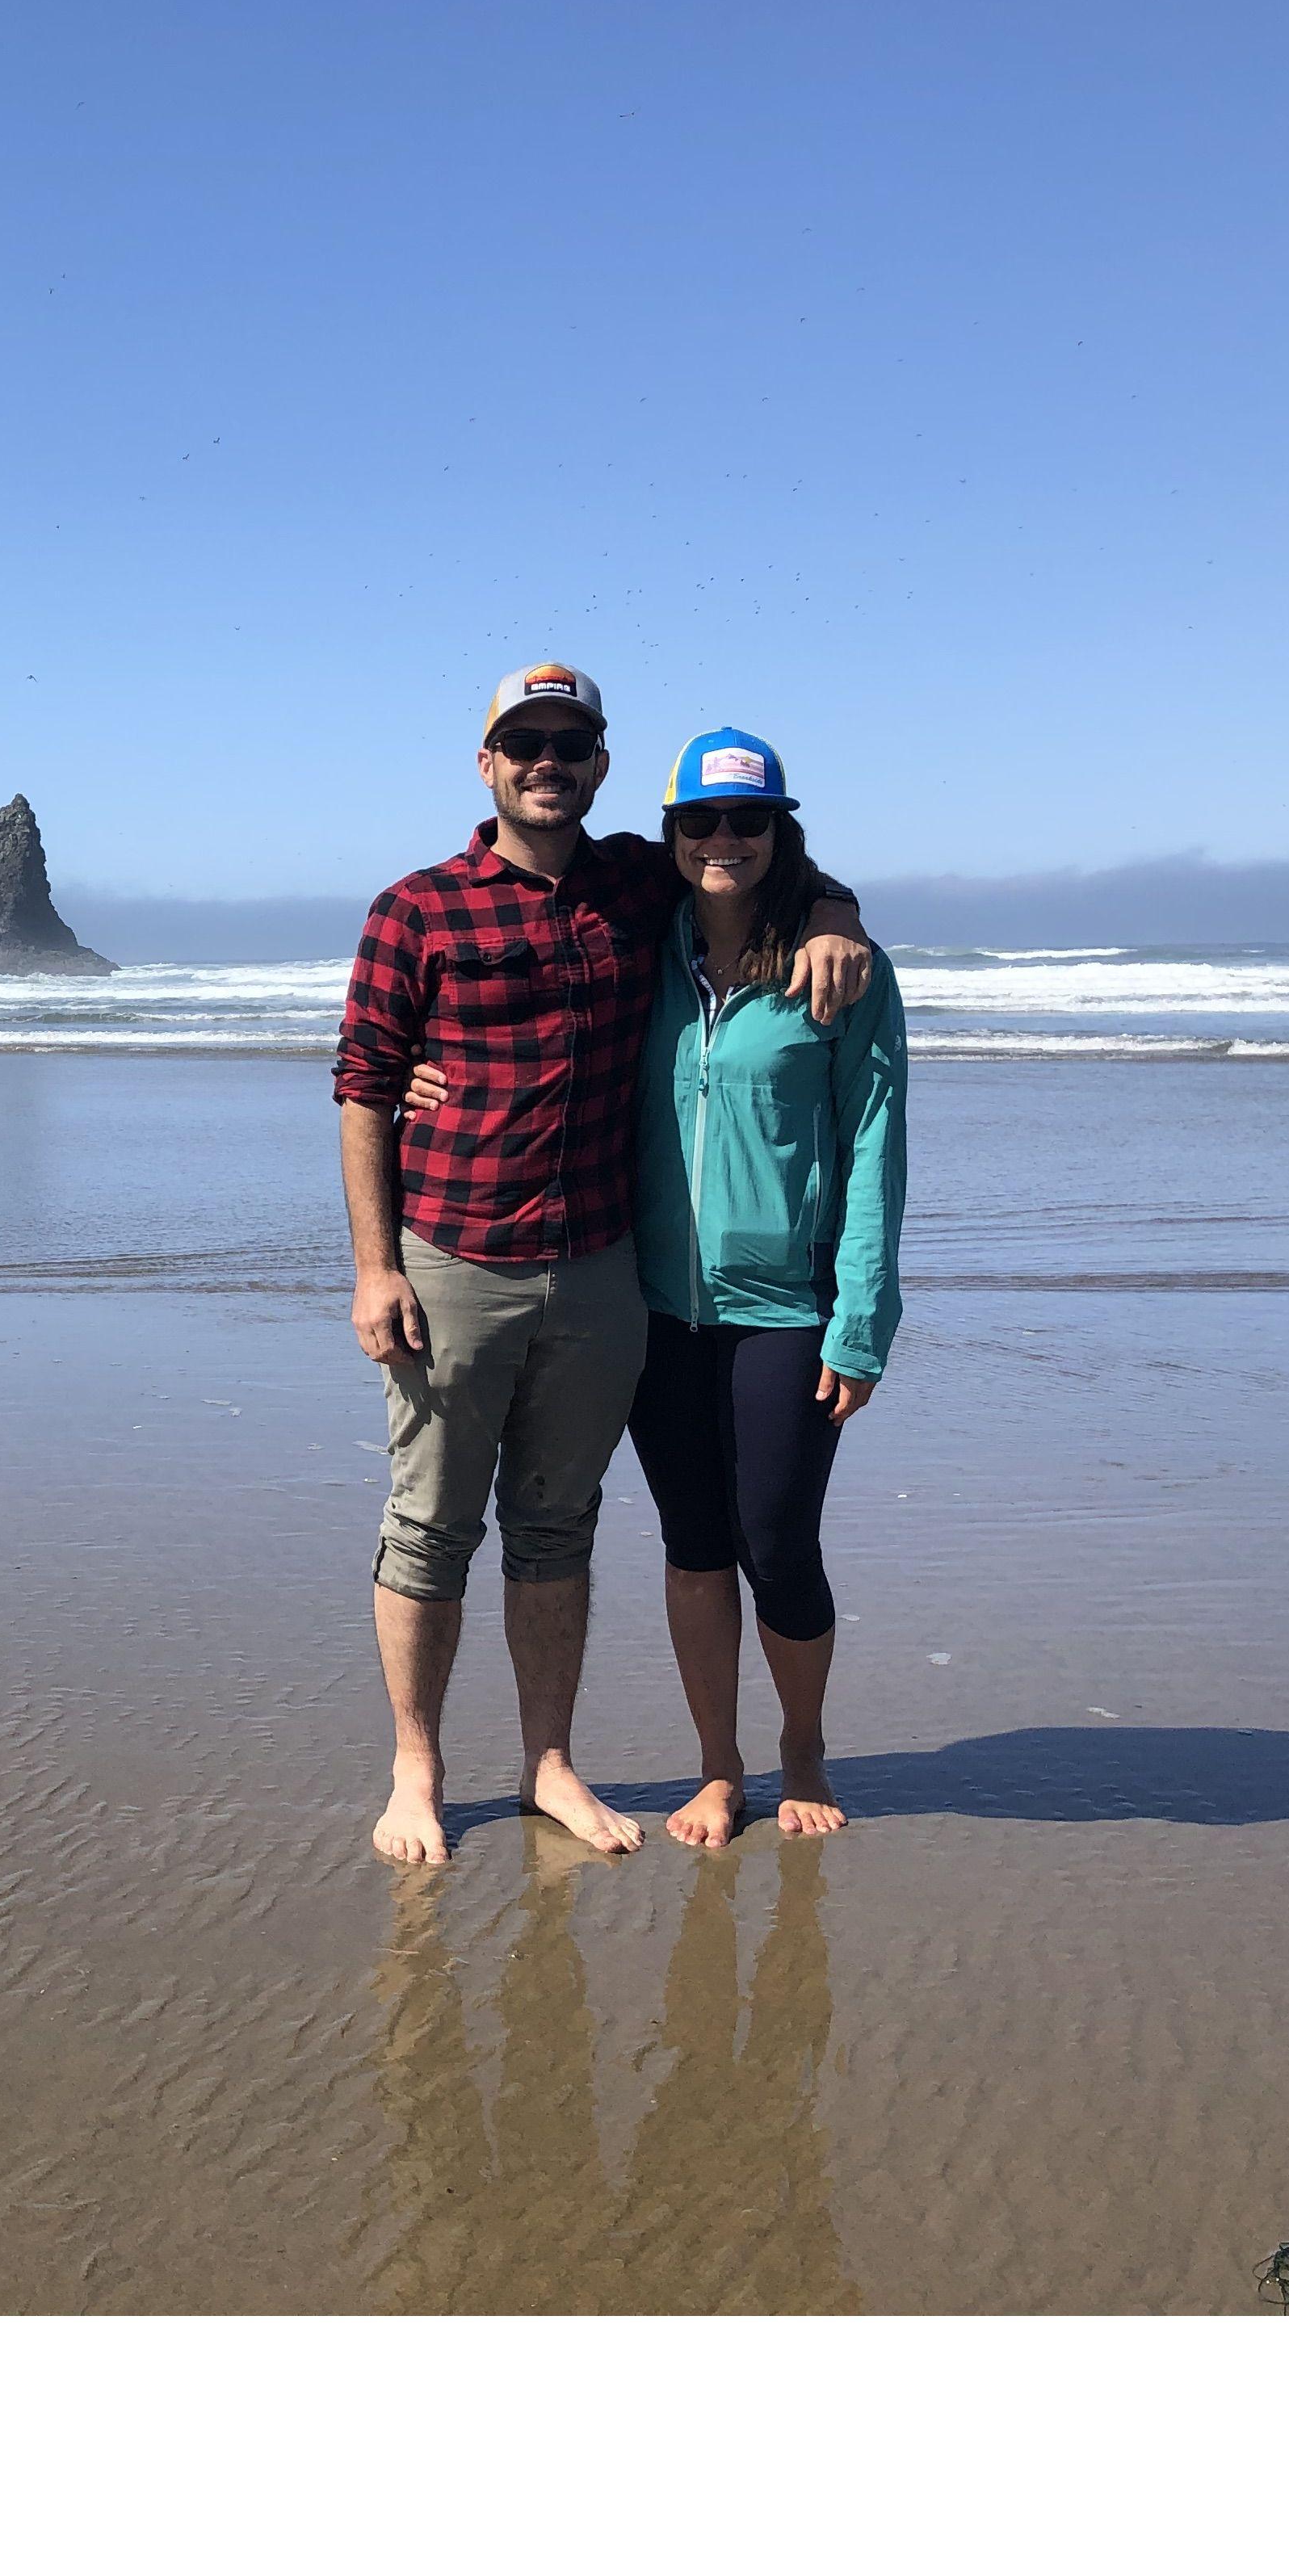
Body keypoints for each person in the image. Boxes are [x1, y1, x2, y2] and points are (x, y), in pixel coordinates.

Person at [336, 663, 871, 1867]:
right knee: (428, 1527)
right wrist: (375, 1267)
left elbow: (756, 860)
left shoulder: (637, 882)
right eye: (523, 742)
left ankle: (547, 1765)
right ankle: (417, 1772)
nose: (546, 762)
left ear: (599, 767)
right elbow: (364, 1087)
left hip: (599, 1270)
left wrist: (836, 913)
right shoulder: (415, 909)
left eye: (569, 745)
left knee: (557, 1528)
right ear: (486, 764)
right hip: (453, 1263)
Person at [624, 728, 905, 1848]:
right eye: (701, 820)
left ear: (782, 829)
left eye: (749, 819)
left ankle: (802, 1746)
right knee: (693, 1543)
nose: (723, 839)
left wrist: (863, 1320)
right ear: (673, 831)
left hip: (788, 1307)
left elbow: (877, 1145)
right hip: (652, 1304)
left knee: (778, 1542)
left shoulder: (837, 972)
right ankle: (716, 1768)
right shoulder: (642, 941)